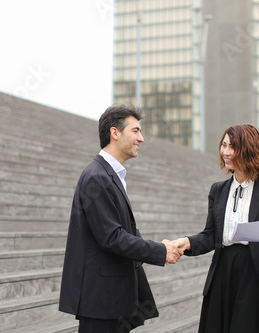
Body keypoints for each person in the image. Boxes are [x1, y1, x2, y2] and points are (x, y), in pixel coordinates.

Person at [59, 104, 181, 333]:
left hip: (111, 298)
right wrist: (160, 251)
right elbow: (112, 237)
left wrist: (163, 248)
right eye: (135, 131)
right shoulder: (97, 176)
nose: (141, 138)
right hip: (100, 301)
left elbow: (124, 231)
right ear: (115, 133)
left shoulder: (109, 174)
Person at [173, 123, 259, 333]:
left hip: (255, 272)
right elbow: (211, 235)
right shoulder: (218, 190)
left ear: (250, 149)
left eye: (233, 146)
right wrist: (187, 242)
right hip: (223, 270)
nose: (226, 152)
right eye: (224, 145)